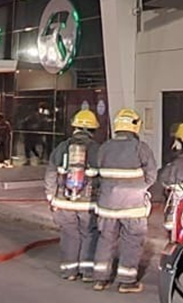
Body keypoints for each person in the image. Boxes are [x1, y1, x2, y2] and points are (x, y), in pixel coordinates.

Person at [90, 108, 158, 293]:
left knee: (105, 240)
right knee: (132, 241)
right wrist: (140, 187)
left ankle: (100, 279)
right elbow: (152, 175)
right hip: (132, 206)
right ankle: (126, 282)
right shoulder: (140, 148)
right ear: (135, 126)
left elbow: (97, 173)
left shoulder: (104, 147)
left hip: (107, 205)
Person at [44, 110, 102, 281]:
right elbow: (103, 178)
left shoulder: (61, 148)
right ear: (92, 130)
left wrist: (51, 197)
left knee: (69, 234)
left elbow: (50, 174)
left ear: (74, 127)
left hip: (64, 202)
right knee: (89, 234)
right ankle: (87, 272)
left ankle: (69, 271)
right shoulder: (97, 150)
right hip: (88, 204)